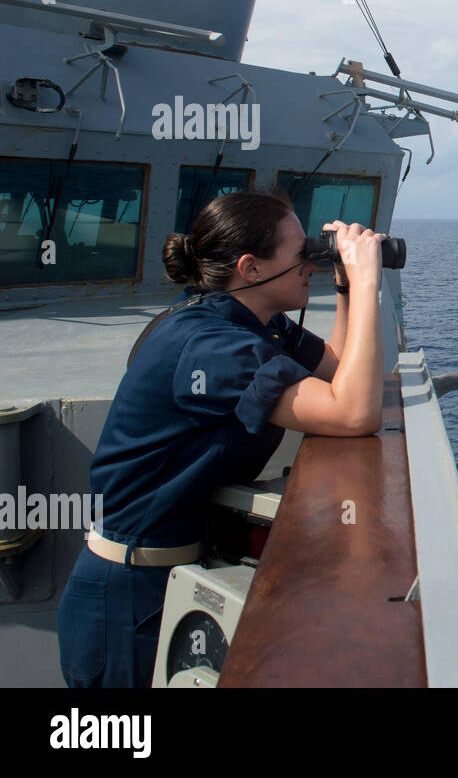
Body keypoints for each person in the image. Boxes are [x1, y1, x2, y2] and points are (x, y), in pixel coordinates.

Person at [56, 190, 387, 688]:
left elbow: (342, 373)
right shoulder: (212, 348)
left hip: (169, 573)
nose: (311, 265)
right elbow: (354, 412)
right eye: (303, 254)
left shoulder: (254, 322)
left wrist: (344, 284)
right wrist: (367, 283)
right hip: (127, 597)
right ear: (251, 268)